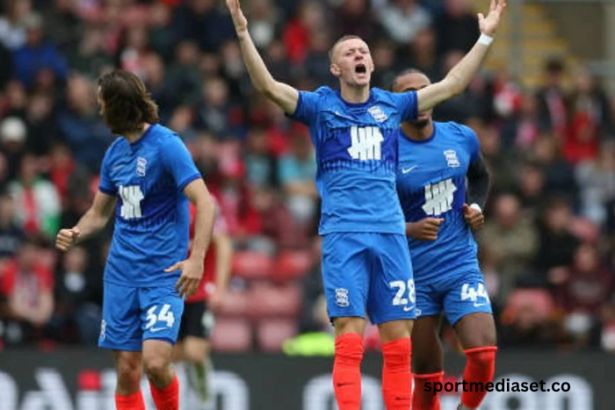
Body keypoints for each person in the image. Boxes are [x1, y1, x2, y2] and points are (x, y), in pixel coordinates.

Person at [225, 0, 505, 408]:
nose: (360, 55)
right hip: (344, 236)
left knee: (397, 347)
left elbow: (452, 84)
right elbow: (268, 86)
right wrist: (243, 33)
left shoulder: (391, 107)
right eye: (350, 52)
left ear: (371, 67)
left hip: (392, 236)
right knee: (350, 340)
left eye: (364, 52)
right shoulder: (321, 107)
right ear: (336, 68)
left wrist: (485, 37)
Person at [55, 69, 216, 410]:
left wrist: (197, 258)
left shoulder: (167, 145)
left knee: (156, 364)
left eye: (102, 104)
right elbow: (99, 214)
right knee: (128, 372)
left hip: (163, 276)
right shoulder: (114, 154)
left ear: (117, 107)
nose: (99, 111)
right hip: (121, 276)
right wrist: (77, 231)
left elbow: (205, 201)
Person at [392, 69, 496, 410]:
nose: (420, 98)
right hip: (412, 274)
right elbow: (368, 216)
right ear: (398, 102)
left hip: (458, 264)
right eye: (410, 93)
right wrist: (409, 229)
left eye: (426, 89)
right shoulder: (384, 151)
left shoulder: (460, 137)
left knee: (482, 352)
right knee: (426, 374)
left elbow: (480, 175)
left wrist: (477, 205)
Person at [175, 197, 232, 409]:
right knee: (174, 356)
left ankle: (205, 402)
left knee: (195, 352)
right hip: (173, 291)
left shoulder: (206, 203)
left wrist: (220, 288)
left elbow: (224, 245)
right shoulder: (162, 199)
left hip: (202, 289)